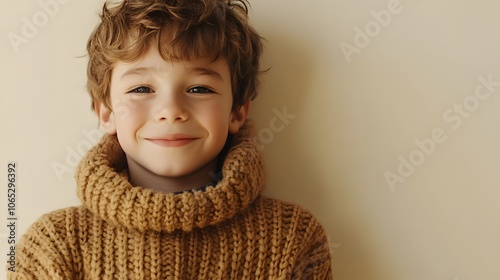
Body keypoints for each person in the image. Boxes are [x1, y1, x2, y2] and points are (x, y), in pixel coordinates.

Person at [8, 0, 332, 278]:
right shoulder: (52, 248)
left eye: (199, 89)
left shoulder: (293, 240)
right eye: (141, 89)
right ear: (106, 112)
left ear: (237, 111)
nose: (171, 111)